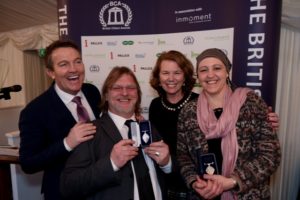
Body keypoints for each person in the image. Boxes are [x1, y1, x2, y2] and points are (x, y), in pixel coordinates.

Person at [149, 50, 280, 200]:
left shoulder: (251, 103)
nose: (210, 75)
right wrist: (193, 182)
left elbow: (270, 156)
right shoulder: (189, 111)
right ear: (198, 76)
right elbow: (184, 157)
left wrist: (232, 181)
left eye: (217, 68)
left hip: (248, 195)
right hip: (203, 195)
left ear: (227, 72)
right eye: (204, 70)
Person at [60, 66, 172, 200]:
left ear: (138, 94)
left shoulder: (148, 127)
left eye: (131, 88)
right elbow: (68, 186)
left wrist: (167, 163)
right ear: (106, 95)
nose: (125, 93)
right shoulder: (90, 131)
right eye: (117, 88)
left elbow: (170, 172)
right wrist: (111, 163)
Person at [18, 40, 101, 200]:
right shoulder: (34, 111)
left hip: (100, 186)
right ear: (51, 72)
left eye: (77, 61)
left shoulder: (92, 92)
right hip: (64, 193)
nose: (73, 69)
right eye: (64, 64)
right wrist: (67, 143)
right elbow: (28, 163)